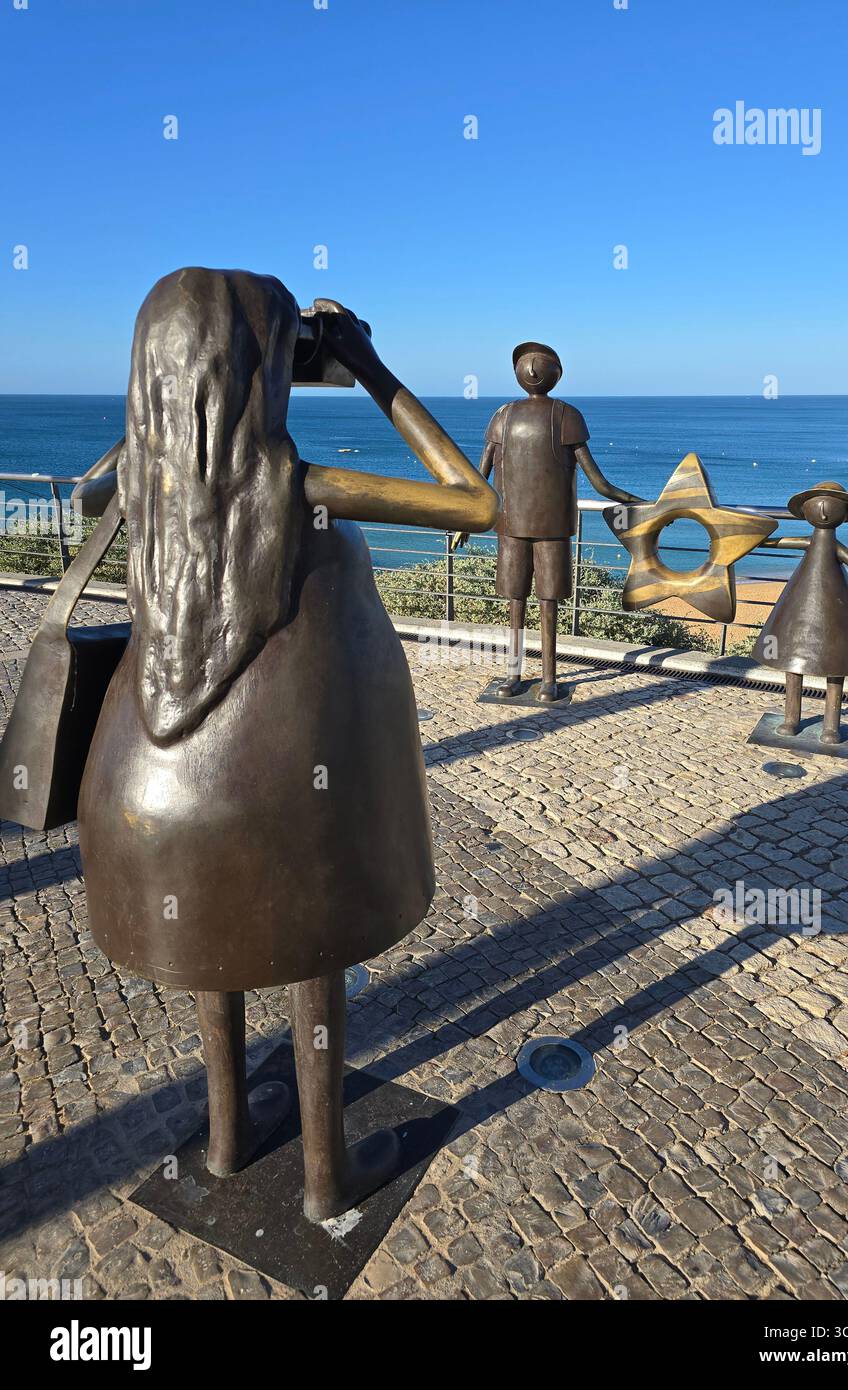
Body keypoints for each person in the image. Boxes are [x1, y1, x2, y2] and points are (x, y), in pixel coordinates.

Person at [72, 267, 497, 1220]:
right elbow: (474, 503)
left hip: (152, 775)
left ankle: (224, 1145)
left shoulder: (142, 480)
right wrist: (360, 361)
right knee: (309, 956)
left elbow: (89, 482)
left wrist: (176, 395)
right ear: (263, 375)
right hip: (280, 788)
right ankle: (323, 1180)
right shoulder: (306, 489)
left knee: (211, 941)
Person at [453, 342, 637, 701]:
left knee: (518, 602)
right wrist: (639, 501)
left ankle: (516, 676)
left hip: (513, 526)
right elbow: (600, 483)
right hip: (544, 528)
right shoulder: (565, 415)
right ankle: (547, 680)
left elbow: (479, 480)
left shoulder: (503, 415)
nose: (533, 370)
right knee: (542, 602)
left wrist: (466, 518)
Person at [752, 482, 848, 745]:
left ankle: (830, 727)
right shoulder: (811, 542)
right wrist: (745, 537)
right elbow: (773, 542)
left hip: (837, 610)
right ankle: (791, 720)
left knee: (838, 664)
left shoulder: (835, 547)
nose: (823, 511)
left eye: (830, 505)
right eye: (817, 504)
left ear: (843, 513)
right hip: (799, 607)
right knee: (793, 662)